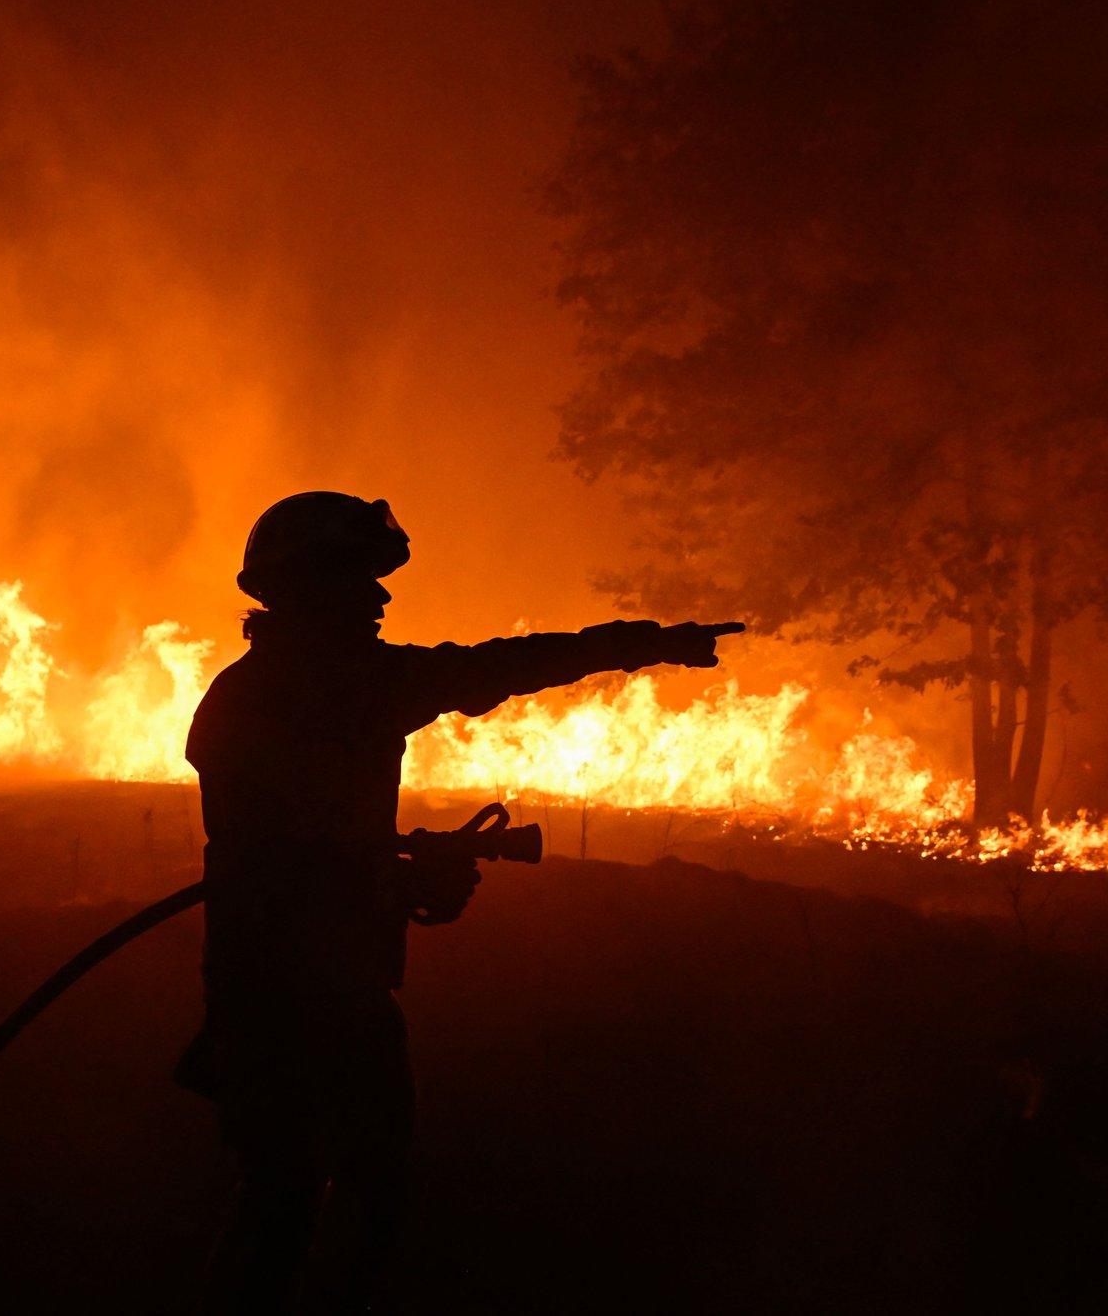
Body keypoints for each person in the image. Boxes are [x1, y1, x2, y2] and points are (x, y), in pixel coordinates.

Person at [180, 491, 734, 1312]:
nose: (380, 597)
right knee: (313, 1194)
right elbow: (287, 860)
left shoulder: (286, 690)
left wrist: (643, 643)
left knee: (305, 1191)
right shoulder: (329, 690)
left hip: (299, 987)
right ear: (308, 587)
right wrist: (396, 878)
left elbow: (494, 670)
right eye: (360, 579)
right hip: (292, 994)